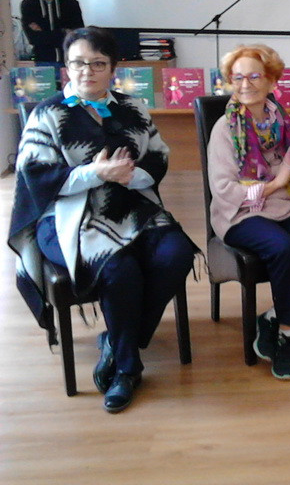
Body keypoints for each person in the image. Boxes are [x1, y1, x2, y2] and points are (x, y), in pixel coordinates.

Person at [8, 26, 197, 413]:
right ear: (66, 68)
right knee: (117, 267)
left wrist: (131, 175)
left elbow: (158, 156)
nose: (87, 71)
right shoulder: (47, 114)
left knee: (177, 252)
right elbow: (37, 178)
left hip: (132, 205)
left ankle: (117, 338)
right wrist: (97, 174)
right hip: (66, 215)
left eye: (97, 63)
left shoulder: (133, 107)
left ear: (113, 69)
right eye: (78, 63)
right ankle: (128, 368)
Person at [207, 44, 290, 380]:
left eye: (254, 76)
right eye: (238, 78)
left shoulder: (285, 120)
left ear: (271, 81)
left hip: (289, 203)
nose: (245, 84)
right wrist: (277, 182)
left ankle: (274, 316)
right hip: (242, 212)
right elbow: (224, 191)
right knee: (284, 249)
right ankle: (287, 334)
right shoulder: (224, 128)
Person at [20, 0, 84, 67]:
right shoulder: (29, 5)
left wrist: (44, 33)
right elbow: (34, 39)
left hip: (70, 61)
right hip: (42, 61)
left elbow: (76, 35)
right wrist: (63, 32)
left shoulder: (71, 4)